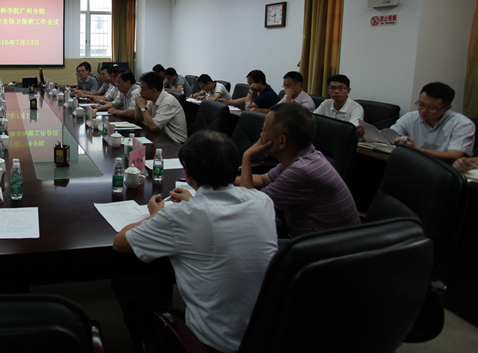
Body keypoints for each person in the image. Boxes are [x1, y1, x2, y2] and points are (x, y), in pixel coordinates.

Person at [113, 131, 277, 353]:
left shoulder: (180, 217)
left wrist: (155, 216)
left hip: (214, 345)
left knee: (135, 302)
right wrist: (193, 201)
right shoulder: (263, 202)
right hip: (266, 336)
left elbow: (120, 243)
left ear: (187, 171)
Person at [239, 103, 360, 237]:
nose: (261, 135)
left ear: (282, 141)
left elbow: (250, 207)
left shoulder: (302, 170)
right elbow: (262, 179)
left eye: (264, 130)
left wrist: (247, 157)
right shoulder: (302, 156)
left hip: (326, 247)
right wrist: (224, 179)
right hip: (315, 240)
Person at [390, 82, 475, 163]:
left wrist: (417, 150)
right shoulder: (411, 117)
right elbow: (389, 135)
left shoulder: (463, 124)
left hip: (443, 169)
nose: (424, 110)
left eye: (431, 108)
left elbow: (454, 155)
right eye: (421, 104)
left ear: (447, 108)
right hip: (412, 164)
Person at [135, 71, 188, 144]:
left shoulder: (168, 102)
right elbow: (138, 119)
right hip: (161, 137)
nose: (140, 92)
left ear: (153, 90)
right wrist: (138, 104)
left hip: (176, 143)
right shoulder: (153, 100)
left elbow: (153, 127)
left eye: (143, 89)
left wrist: (143, 107)